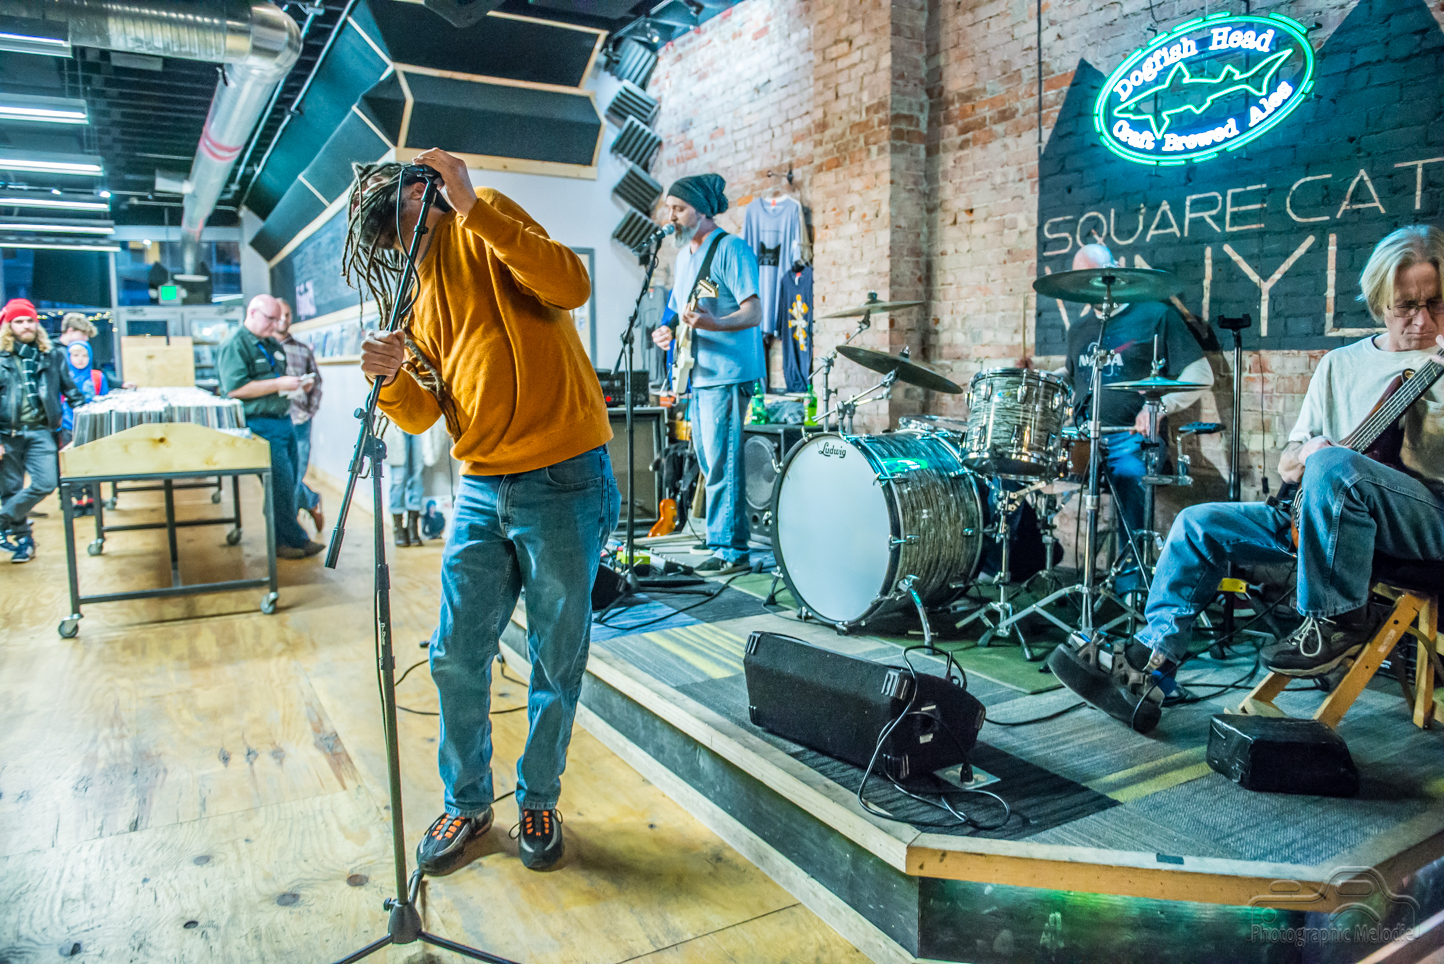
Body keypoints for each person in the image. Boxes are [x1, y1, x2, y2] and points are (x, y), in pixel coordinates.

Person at [1051, 225, 1444, 731]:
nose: (1421, 319)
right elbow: (1289, 463)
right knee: (1197, 524)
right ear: (1379, 301)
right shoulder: (1340, 365)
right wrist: (1310, 453)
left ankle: (1335, 619)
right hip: (1316, 516)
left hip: (1423, 522)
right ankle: (1150, 667)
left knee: (1334, 467)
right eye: (1405, 306)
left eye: (1435, 303)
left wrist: (1328, 464)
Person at [348, 151, 618, 873]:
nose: (399, 233)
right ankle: (467, 804)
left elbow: (571, 284)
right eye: (388, 231)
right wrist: (391, 379)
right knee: (453, 654)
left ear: (423, 190)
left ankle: (539, 796)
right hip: (480, 484)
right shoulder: (412, 294)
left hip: (563, 475)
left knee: (555, 657)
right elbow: (422, 415)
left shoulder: (484, 215)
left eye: (403, 209)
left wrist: (471, 206)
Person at [1063, 244, 1213, 556]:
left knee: (1130, 474)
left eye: (1098, 275)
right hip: (1082, 437)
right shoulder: (1078, 329)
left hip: (1132, 437)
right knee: (1015, 468)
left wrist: (1159, 407)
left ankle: (1131, 575)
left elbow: (1201, 374)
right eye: (1083, 279)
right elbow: (1073, 376)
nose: (1092, 285)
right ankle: (1026, 559)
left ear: (1116, 270)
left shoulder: (1156, 315)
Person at [650, 173, 764, 576]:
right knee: (708, 460)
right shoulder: (684, 258)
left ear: (701, 210)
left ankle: (731, 550)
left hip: (728, 373)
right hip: (699, 374)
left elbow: (754, 312)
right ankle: (719, 538)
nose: (671, 217)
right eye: (669, 209)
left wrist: (714, 325)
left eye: (679, 209)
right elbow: (679, 313)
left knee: (722, 463)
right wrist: (666, 332)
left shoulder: (732, 250)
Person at [216, 294, 324, 560]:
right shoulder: (235, 344)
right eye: (271, 318)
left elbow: (277, 382)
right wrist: (279, 384)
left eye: (279, 319)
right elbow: (235, 389)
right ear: (252, 312)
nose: (276, 324)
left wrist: (296, 386)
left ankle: (296, 538)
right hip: (259, 424)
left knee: (290, 483)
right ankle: (284, 542)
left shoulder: (271, 344)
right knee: (279, 484)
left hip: (284, 419)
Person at [0, 298, 85, 563]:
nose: (26, 325)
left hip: (42, 431)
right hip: (7, 434)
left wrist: (85, 422)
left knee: (46, 483)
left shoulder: (52, 354)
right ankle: (23, 541)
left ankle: (2, 519)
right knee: (11, 489)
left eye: (30, 320)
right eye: (19, 321)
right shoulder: (1, 358)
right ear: (8, 326)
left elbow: (71, 390)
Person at [275, 299, 324, 534]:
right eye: (279, 315)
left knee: (294, 477)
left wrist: (309, 411)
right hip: (275, 422)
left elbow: (317, 382)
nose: (283, 319)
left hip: (300, 422)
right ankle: (311, 499)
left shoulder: (302, 350)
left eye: (287, 314)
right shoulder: (264, 349)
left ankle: (293, 535)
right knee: (282, 479)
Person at [60, 340, 109, 515]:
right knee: (72, 464)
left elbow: (105, 400)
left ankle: (93, 498)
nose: (80, 359)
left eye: (84, 355)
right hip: (68, 426)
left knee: (92, 462)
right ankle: (77, 500)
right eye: (75, 355)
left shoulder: (97, 377)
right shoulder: (63, 376)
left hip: (92, 427)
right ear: (68, 357)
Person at [389, 428, 427, 547]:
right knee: (398, 479)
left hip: (419, 424)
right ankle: (398, 529)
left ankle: (412, 527)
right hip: (397, 424)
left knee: (417, 477)